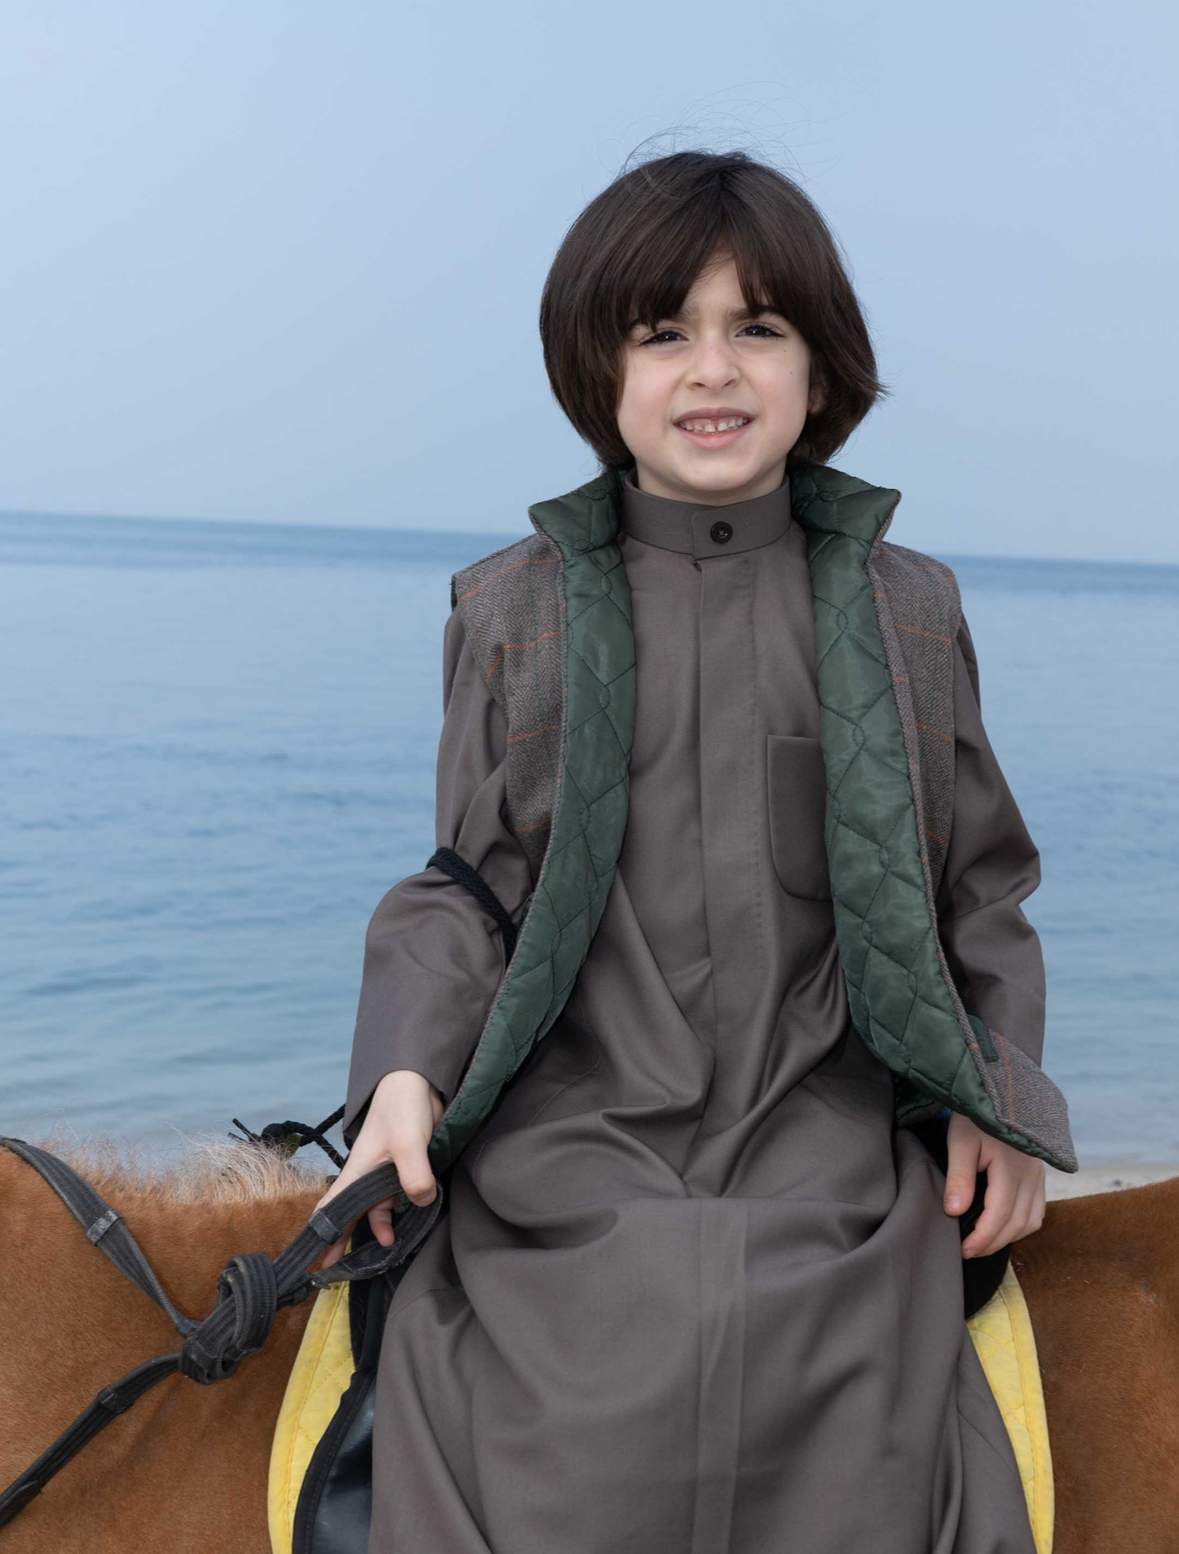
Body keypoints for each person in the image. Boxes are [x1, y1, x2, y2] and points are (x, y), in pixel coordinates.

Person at [318, 149, 1072, 1552]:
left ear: (820, 370)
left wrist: (1000, 1098)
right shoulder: (514, 611)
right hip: (573, 1136)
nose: (712, 370)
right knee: (527, 1364)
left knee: (859, 1390)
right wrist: (403, 1077)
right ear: (597, 371)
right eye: (663, 332)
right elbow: (469, 888)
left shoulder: (908, 612)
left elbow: (981, 884)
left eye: (758, 327)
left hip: (827, 1138)